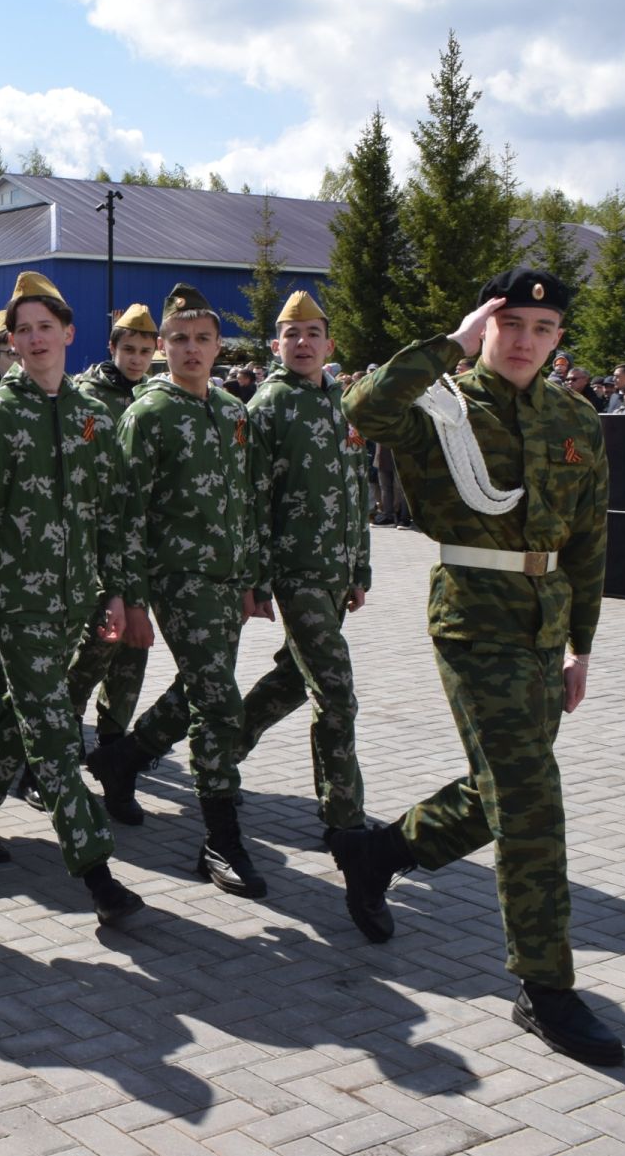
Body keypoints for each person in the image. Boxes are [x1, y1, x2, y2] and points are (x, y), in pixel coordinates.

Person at [339, 267, 620, 1066]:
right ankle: (546, 986)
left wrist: (582, 643)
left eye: (544, 327)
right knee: (532, 800)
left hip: (545, 624)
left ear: (560, 337)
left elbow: (591, 540)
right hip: (472, 619)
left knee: (498, 790)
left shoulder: (576, 416)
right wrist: (450, 343)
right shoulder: (442, 403)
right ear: (488, 326)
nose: (526, 339)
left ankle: (378, 853)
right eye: (511, 323)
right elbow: (360, 410)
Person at [0, 271, 143, 926]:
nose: (32, 339)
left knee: (28, 717)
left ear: (68, 333)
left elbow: (111, 512)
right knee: (55, 732)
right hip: (16, 602)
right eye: (21, 330)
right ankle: (96, 870)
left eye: (44, 327)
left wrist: (114, 591)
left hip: (77, 599)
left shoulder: (91, 415)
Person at [81, 288, 263, 897]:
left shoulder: (234, 414)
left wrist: (247, 580)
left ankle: (123, 759)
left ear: (218, 346)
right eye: (178, 338)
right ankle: (220, 838)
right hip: (174, 577)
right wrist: (128, 597)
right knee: (219, 703)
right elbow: (123, 514)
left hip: (223, 580)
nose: (191, 349)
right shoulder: (148, 413)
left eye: (202, 338)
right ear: (162, 347)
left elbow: (245, 504)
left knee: (198, 690)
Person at [238, 291, 372, 850]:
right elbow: (250, 498)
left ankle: (214, 751)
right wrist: (257, 577)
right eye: (291, 335)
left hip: (335, 571)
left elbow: (356, 489)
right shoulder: (267, 406)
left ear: (328, 345)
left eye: (313, 334)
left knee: (297, 677)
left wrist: (360, 566)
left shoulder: (343, 403)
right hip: (294, 571)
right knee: (337, 692)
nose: (303, 343)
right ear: (276, 345)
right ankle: (344, 820)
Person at [62, 298, 160, 823]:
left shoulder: (158, 396)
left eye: (146, 350)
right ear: (112, 347)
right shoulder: (85, 397)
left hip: (143, 546)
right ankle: (54, 748)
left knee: (133, 654)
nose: (138, 358)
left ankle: (114, 754)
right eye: (130, 348)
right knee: (97, 647)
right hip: (100, 542)